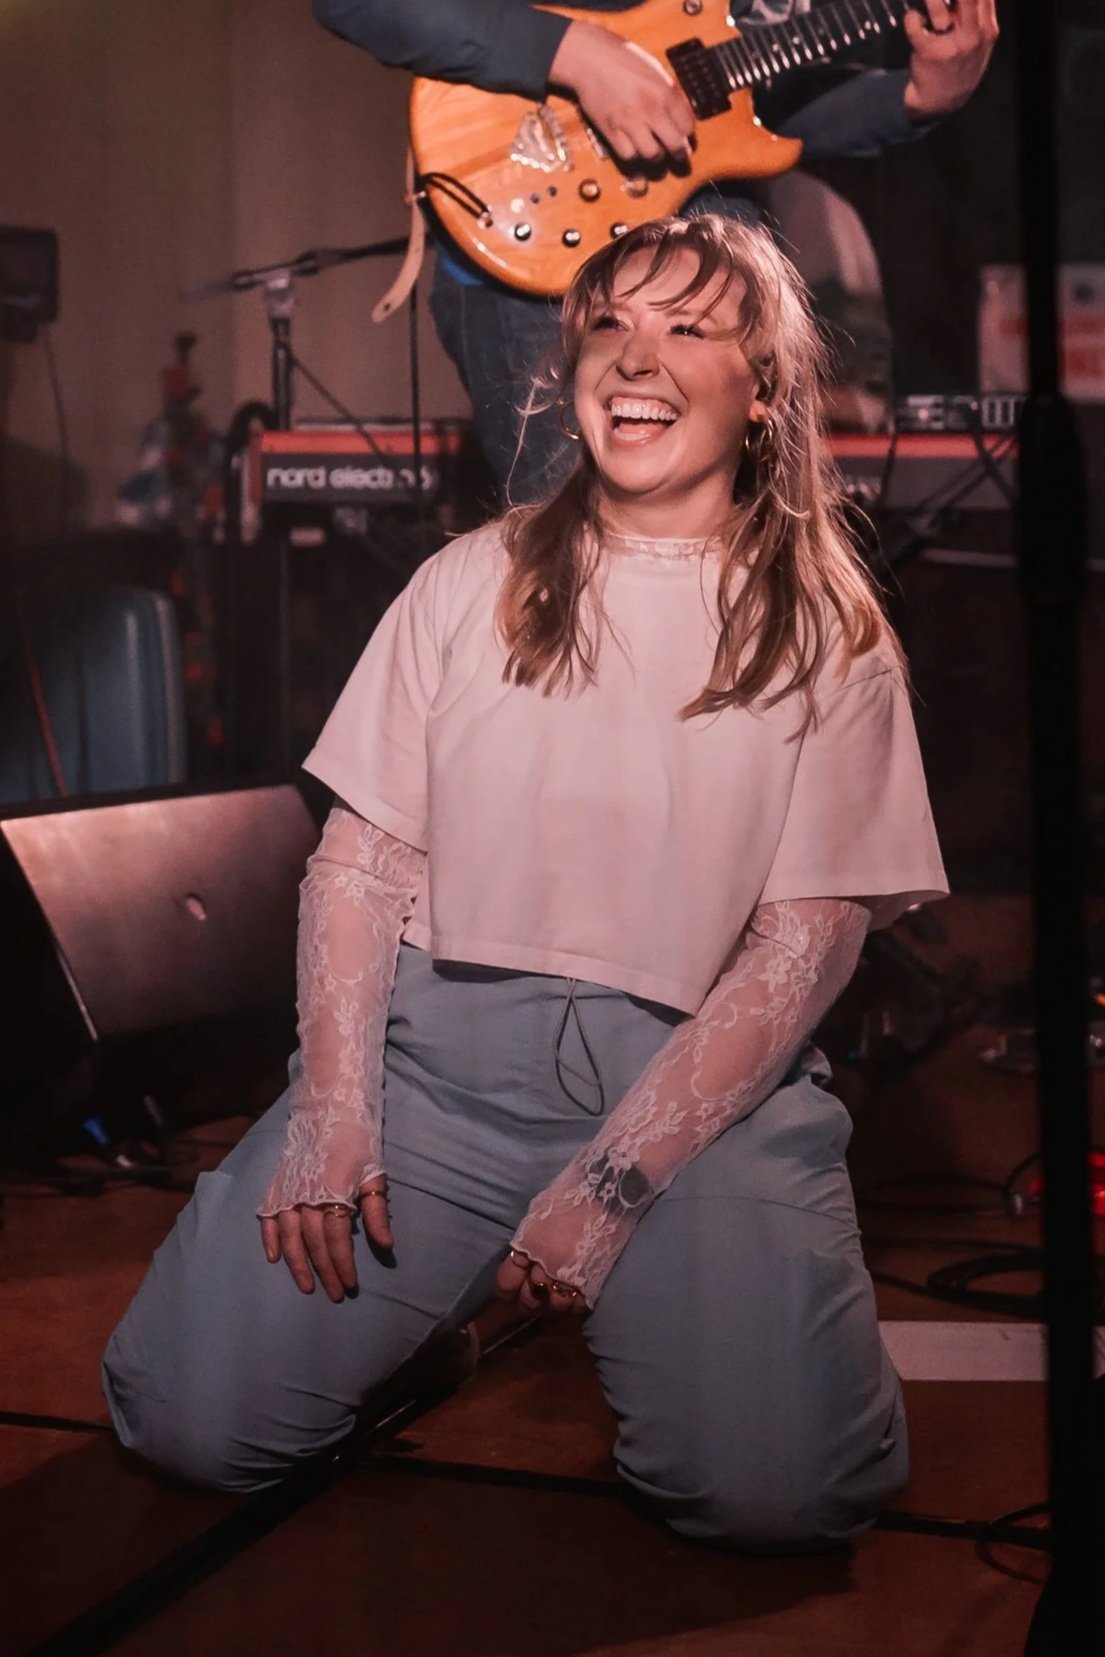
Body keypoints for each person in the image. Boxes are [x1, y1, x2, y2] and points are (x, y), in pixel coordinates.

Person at [102, 214, 947, 1547]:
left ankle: (797, 1347)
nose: (636, 354)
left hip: (694, 1100)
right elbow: (361, 863)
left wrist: (610, 1188)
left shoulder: (830, 633)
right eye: (609, 323)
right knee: (188, 1420)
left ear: (763, 385)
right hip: (441, 1076)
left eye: (686, 327)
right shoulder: (462, 585)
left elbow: (806, 941)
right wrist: (336, 1110)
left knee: (776, 1499)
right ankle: (440, 1302)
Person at [312, 0, 999, 499]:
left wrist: (918, 95)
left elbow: (746, 90)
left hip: (719, 252)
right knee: (587, 585)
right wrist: (572, 52)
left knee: (740, 584)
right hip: (545, 264)